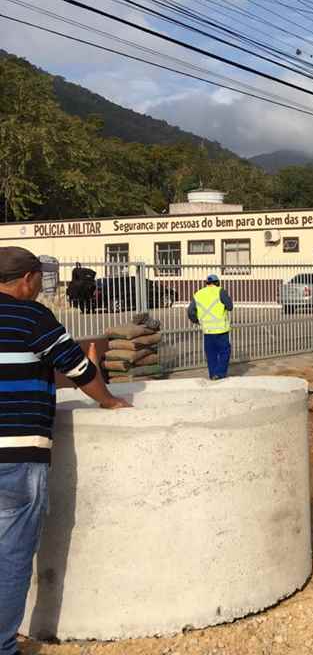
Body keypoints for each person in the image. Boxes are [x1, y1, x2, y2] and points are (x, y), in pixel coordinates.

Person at [0, 247, 130, 655]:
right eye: (40, 280)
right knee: (12, 553)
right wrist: (109, 401)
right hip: (16, 456)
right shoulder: (32, 317)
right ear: (29, 278)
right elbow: (78, 369)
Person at [188, 274, 234, 380]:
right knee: (224, 352)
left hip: (207, 330)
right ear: (217, 283)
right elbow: (230, 307)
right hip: (221, 330)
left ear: (207, 283)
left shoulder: (199, 293)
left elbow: (190, 311)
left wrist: (197, 321)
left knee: (211, 354)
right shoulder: (220, 291)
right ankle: (220, 373)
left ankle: (213, 374)